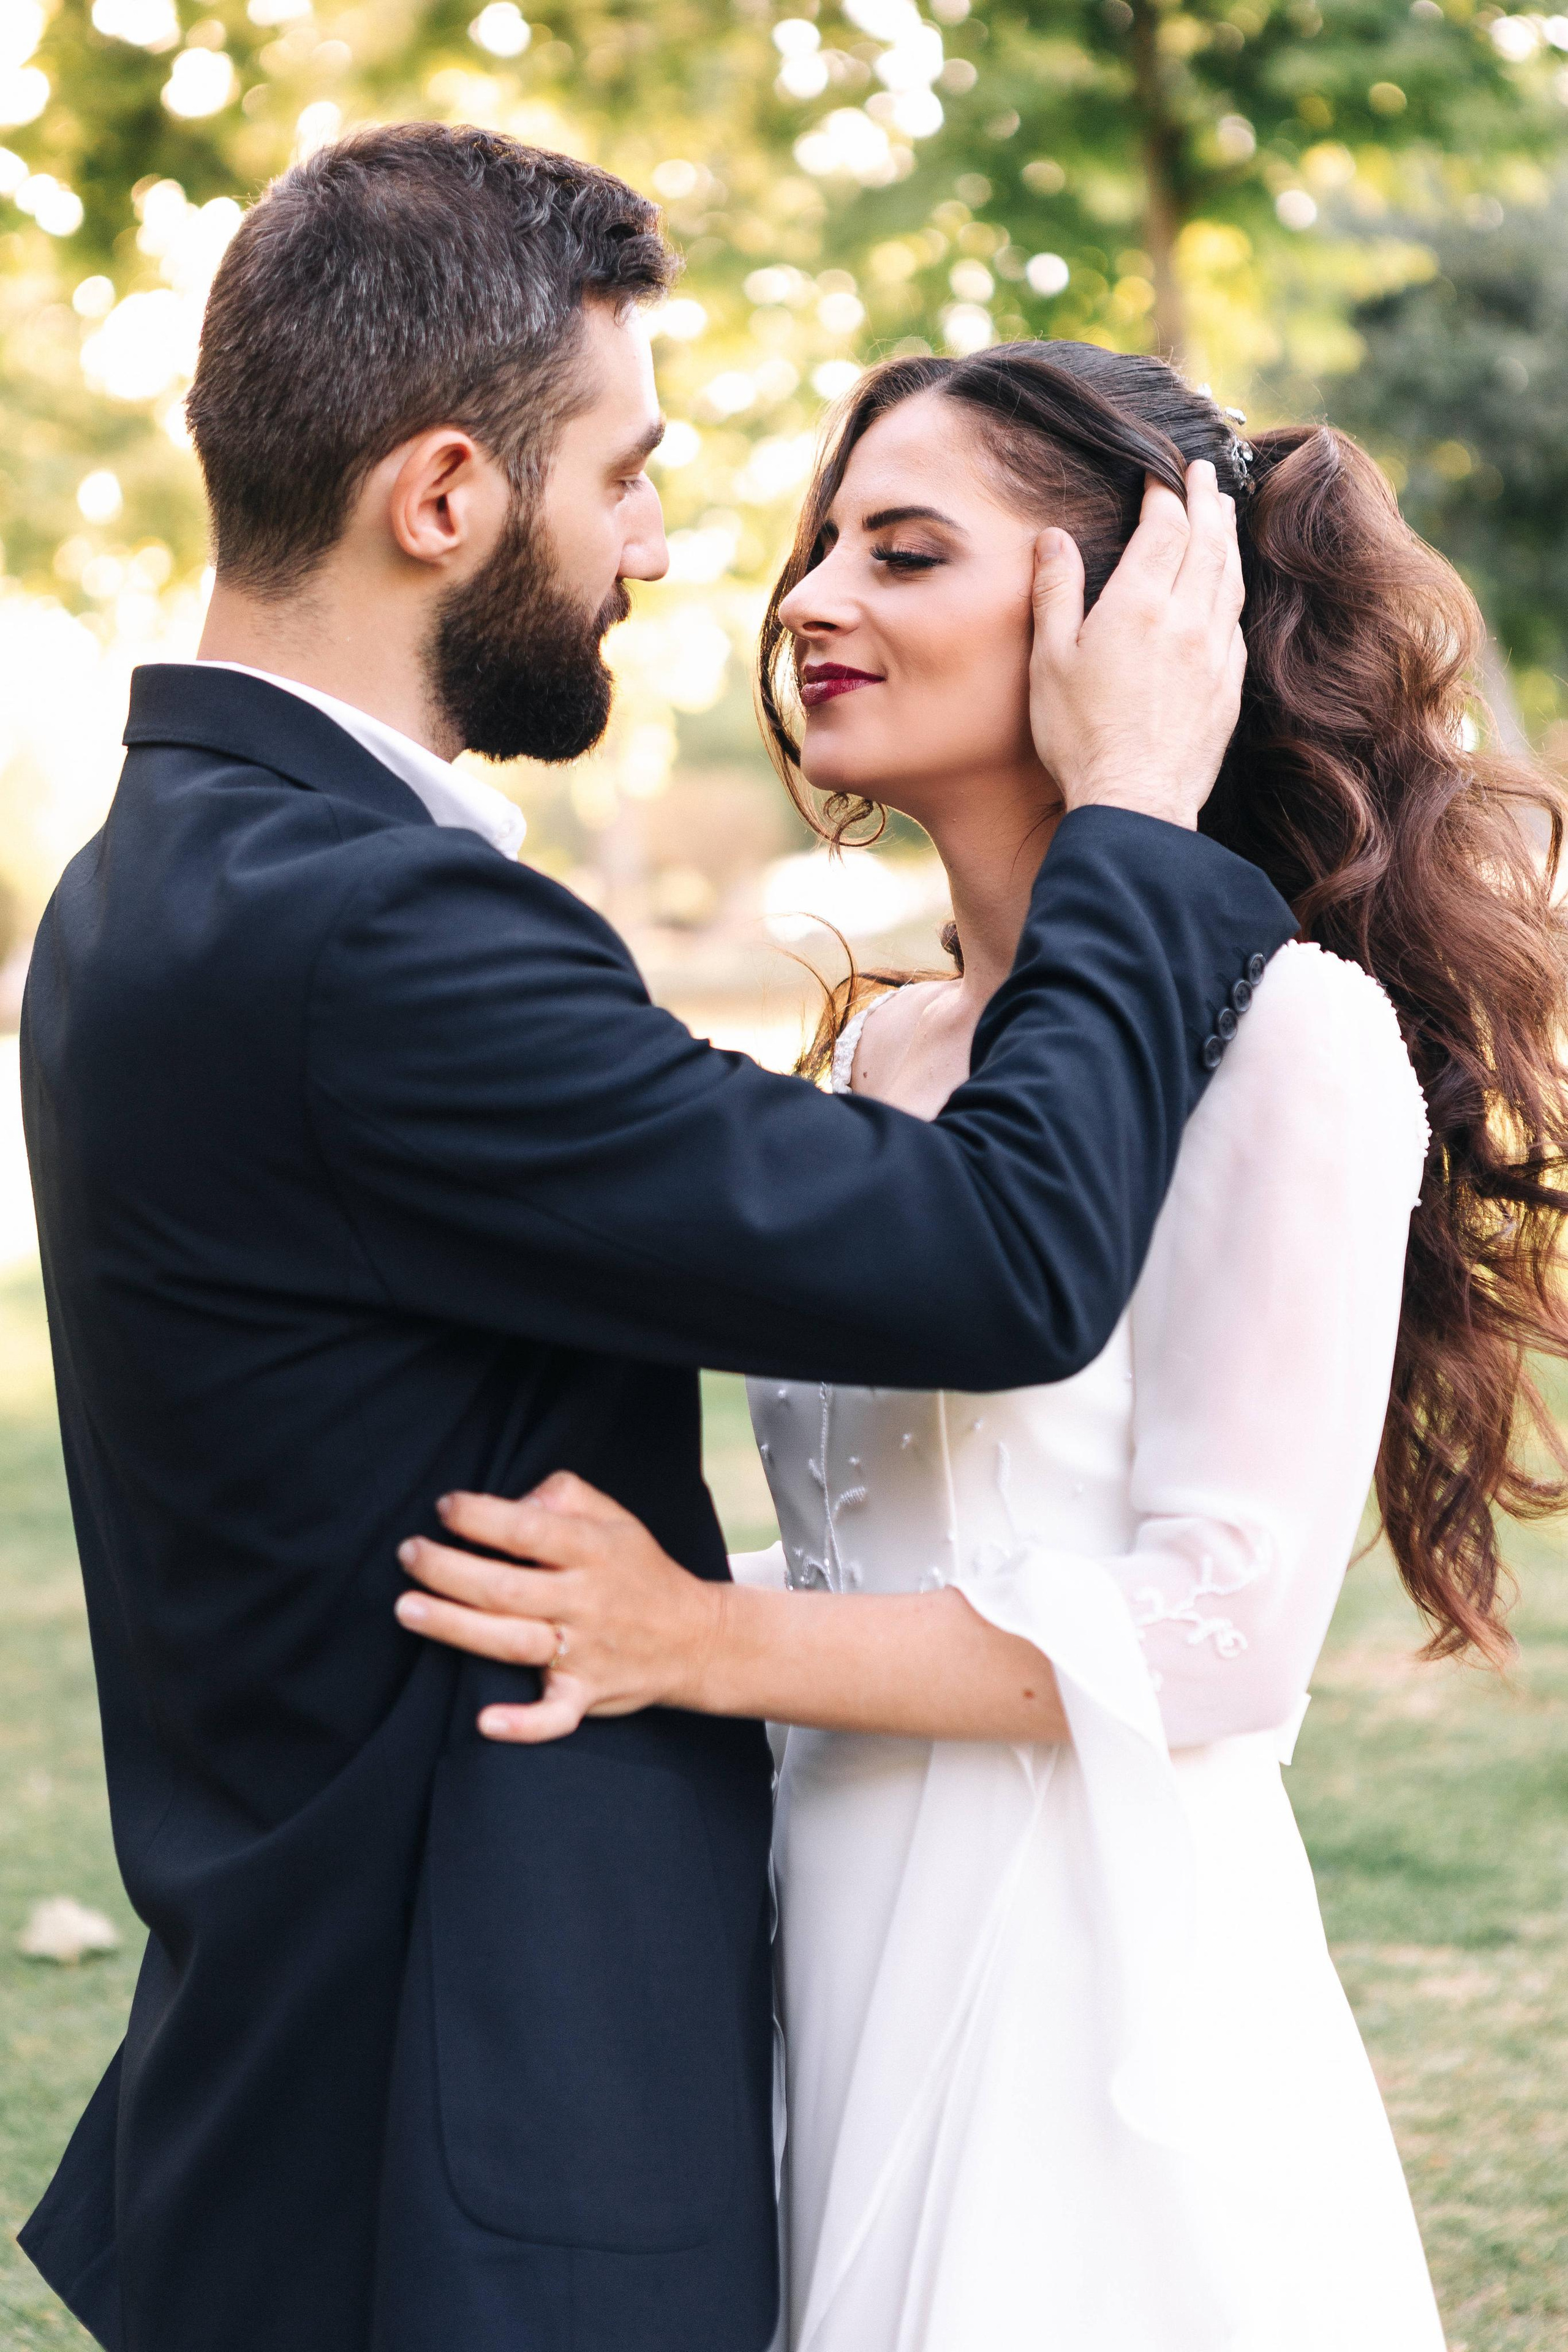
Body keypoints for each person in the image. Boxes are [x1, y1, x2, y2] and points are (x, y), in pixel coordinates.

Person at [17, 133, 1295, 2352]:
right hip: (474, 2137)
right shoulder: (371, 932)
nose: (673, 549)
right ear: (444, 497)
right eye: (628, 474)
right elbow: (997, 1263)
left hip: (347, 2081)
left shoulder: (169, 873)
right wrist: (1142, 829)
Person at [396, 344, 1568, 2350]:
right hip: (822, 1931)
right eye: (823, 546)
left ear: (1127, 621)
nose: (812, 601)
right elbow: (909, 1546)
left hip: (1089, 1974)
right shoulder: (889, 1045)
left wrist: (695, 1638)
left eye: (906, 550)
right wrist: (596, 1599)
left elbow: (1216, 1633)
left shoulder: (1288, 1038)